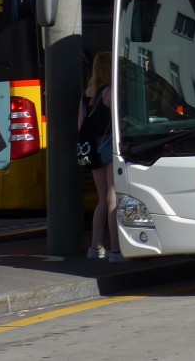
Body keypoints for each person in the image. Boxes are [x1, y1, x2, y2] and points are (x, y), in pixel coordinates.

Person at [78, 52, 124, 262]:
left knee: (101, 199)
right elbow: (119, 121)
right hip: (108, 145)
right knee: (112, 196)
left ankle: (95, 247)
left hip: (92, 148)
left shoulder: (87, 93)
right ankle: (116, 250)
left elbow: (79, 125)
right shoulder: (109, 92)